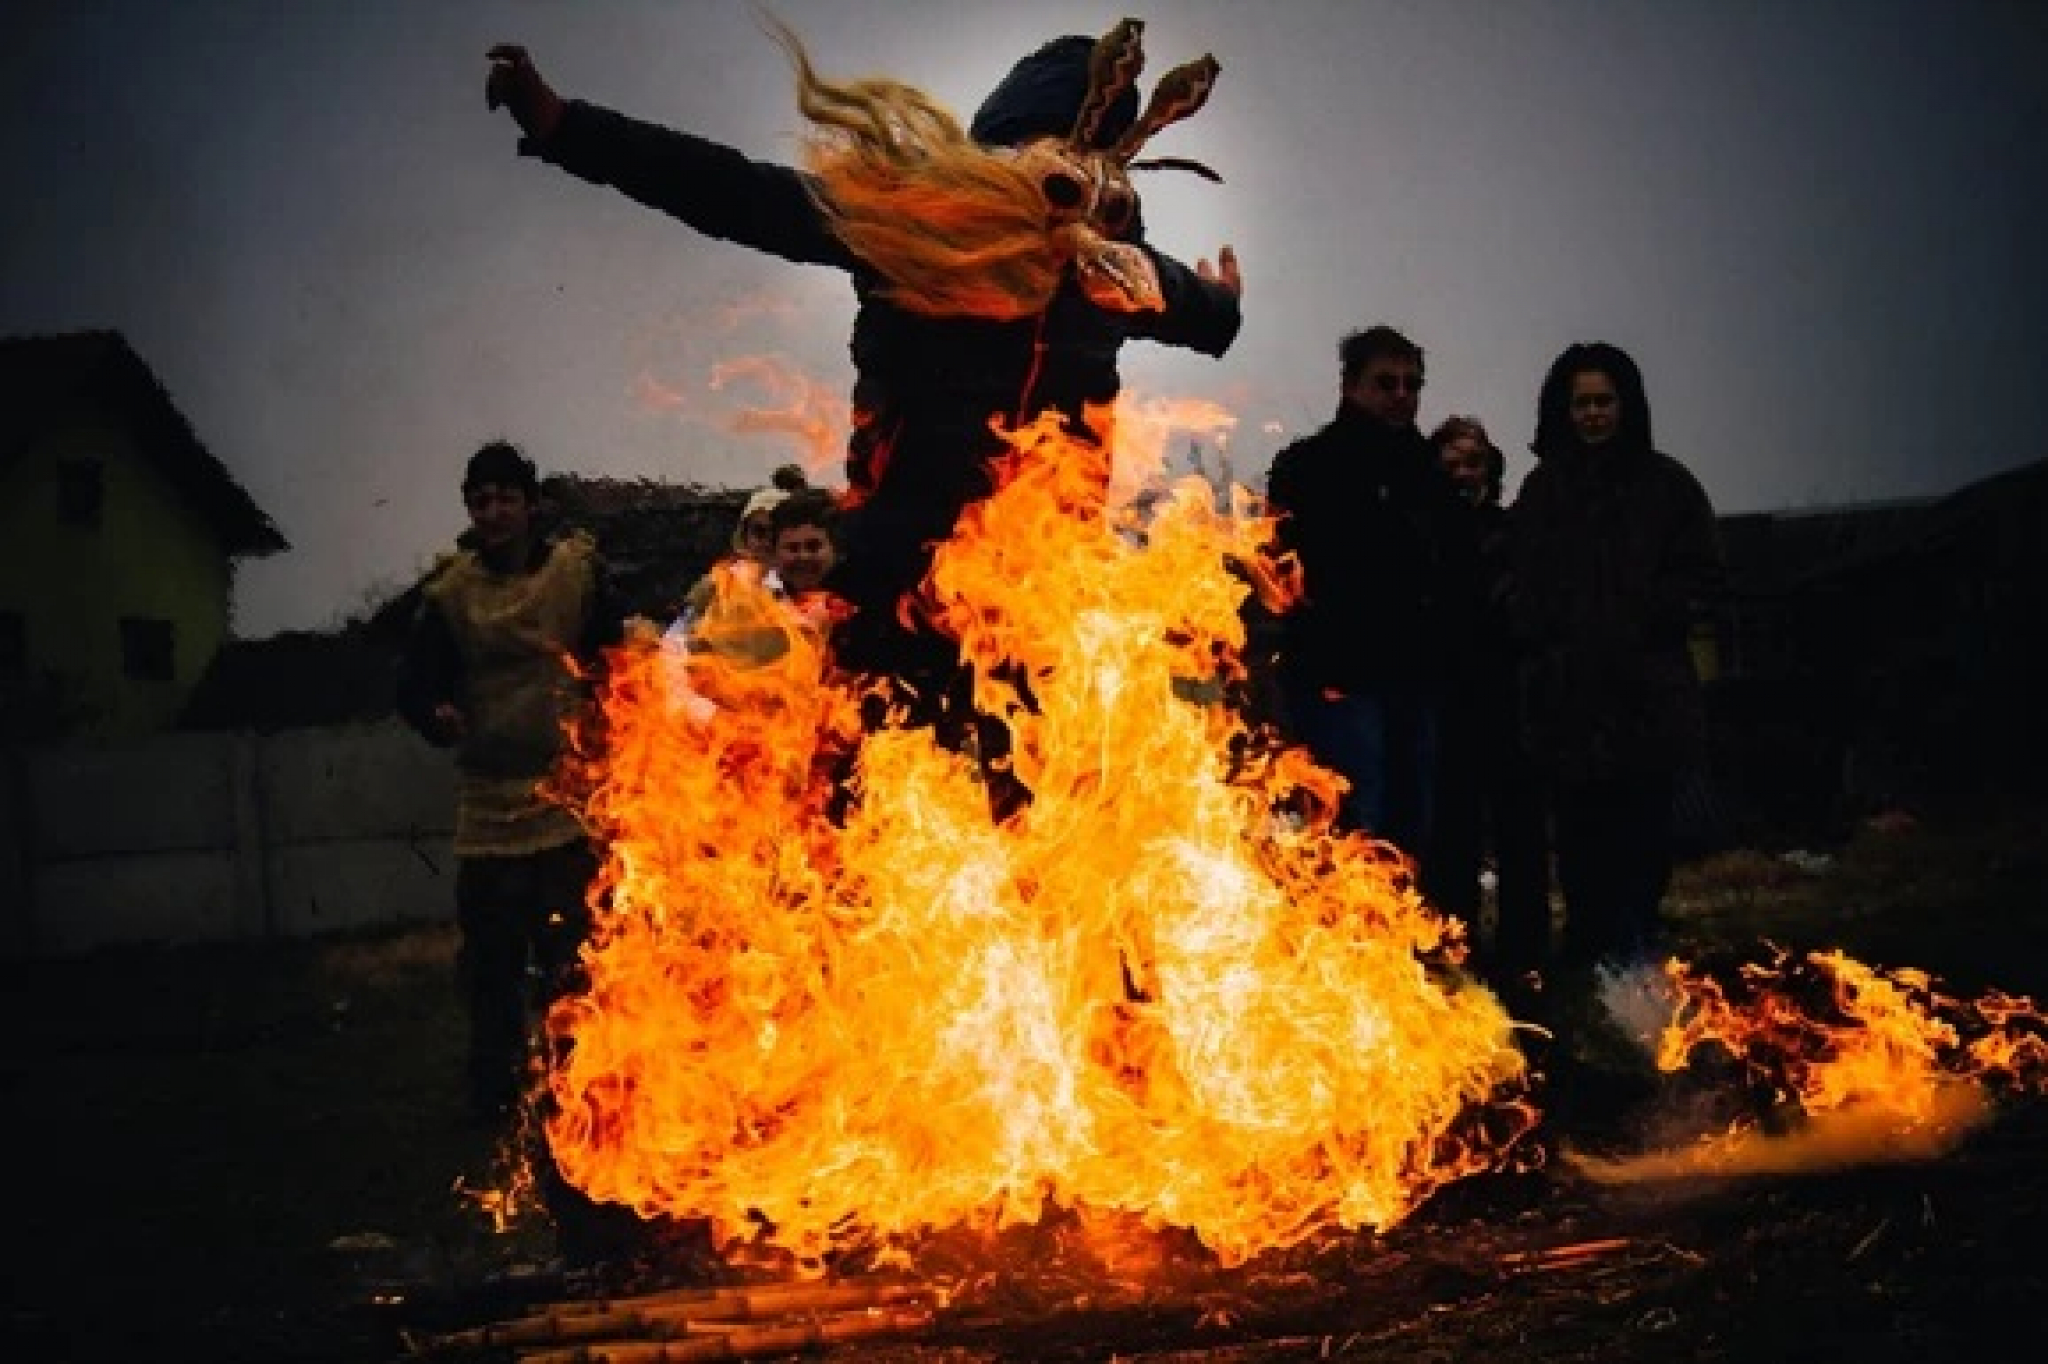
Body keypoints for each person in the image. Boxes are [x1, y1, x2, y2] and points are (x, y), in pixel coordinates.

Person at [482, 19, 1243, 810]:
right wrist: (564, 127)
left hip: (1036, 588)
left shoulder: (1111, 273)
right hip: (898, 567)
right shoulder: (906, 230)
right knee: (867, 793)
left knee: (1029, 805)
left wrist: (1222, 301)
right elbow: (735, 191)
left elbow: (1200, 313)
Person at [394, 439, 638, 1268]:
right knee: (493, 963)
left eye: (506, 498)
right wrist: (438, 716)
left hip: (566, 796)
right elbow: (413, 685)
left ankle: (582, 1083)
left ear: (532, 504)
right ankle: (493, 1092)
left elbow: (616, 650)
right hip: (490, 806)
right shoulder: (450, 594)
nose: (493, 512)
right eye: (480, 500)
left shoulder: (576, 574)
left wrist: (624, 705)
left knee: (573, 957)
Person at [1506, 343, 1723, 987]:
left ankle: (1636, 955)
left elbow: (1704, 575)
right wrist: (1546, 642)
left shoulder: (1669, 487)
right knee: (1578, 839)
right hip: (1569, 702)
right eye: (1582, 403)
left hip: (1645, 700)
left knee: (1643, 836)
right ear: (1562, 409)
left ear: (1626, 406)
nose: (1594, 414)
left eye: (1604, 401)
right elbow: (1520, 582)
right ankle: (1590, 957)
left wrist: (1651, 622)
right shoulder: (1544, 491)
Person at [1263, 327, 1477, 853]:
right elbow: (1278, 573)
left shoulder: (1427, 474)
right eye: (1386, 383)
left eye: (1411, 385)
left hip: (1414, 680)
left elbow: (1450, 571)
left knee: (1410, 824)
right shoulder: (1308, 468)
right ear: (1351, 385)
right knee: (1354, 825)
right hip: (1340, 681)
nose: (1401, 396)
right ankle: (1349, 934)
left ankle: (1399, 932)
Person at [1424, 415, 1551, 1007]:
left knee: (1520, 833)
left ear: (1492, 473)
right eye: (1449, 467)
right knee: (1453, 838)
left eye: (1472, 465)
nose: (1462, 477)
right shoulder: (1423, 540)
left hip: (1510, 701)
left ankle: (1527, 958)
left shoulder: (1514, 536)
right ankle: (1459, 955)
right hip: (1448, 704)